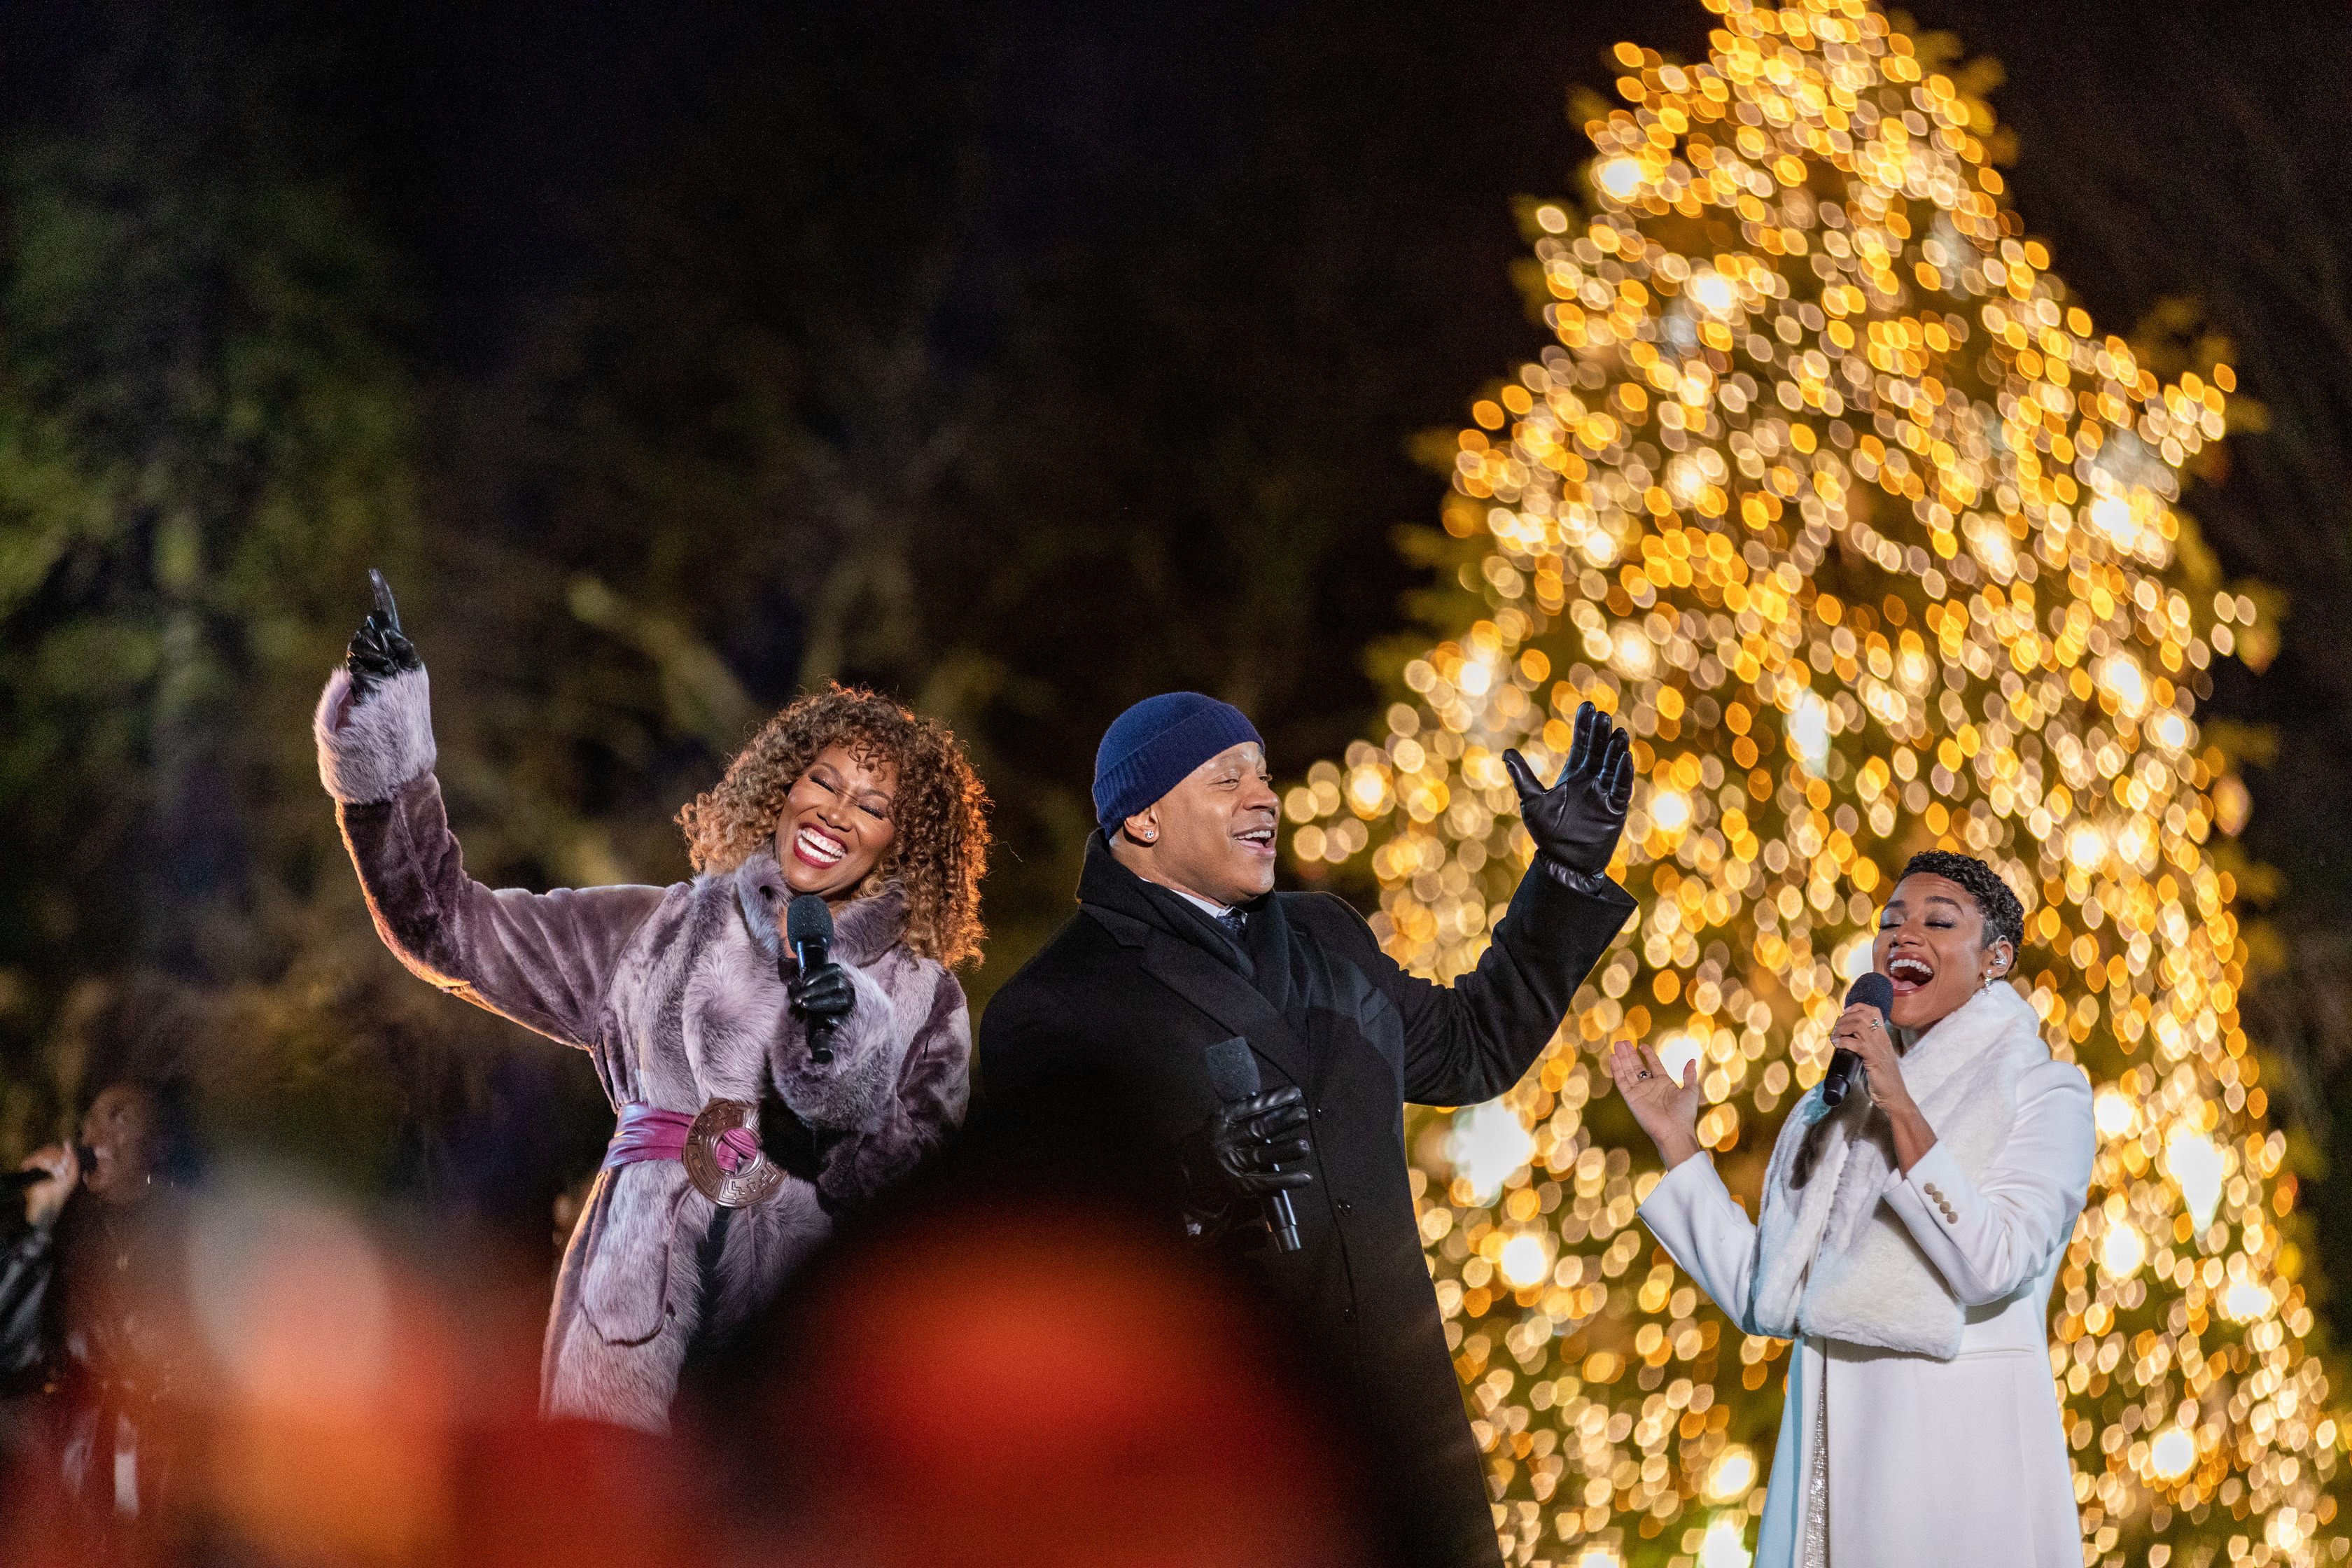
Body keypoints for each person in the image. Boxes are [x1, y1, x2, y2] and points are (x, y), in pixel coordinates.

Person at [314, 573, 989, 1434]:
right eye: (823, 780)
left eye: (875, 805)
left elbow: (924, 1205)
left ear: (907, 841)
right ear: (784, 785)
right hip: (626, 1339)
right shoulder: (656, 930)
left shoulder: (926, 999)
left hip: (809, 1354)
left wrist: (846, 1046)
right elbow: (445, 924)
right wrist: (386, 735)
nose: (835, 810)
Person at [976, 691, 1639, 1568]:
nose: (1265, 796)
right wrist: (1192, 1181)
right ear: (1141, 818)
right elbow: (1043, 1262)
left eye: (1264, 773)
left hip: (1408, 1453)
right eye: (1227, 779)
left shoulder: (1326, 933)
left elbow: (1473, 1048)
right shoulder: (1058, 1003)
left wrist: (1563, 878)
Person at [1611, 850, 2092, 1567]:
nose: (1904, 936)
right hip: (1828, 1457)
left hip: (1955, 1463)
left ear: (1996, 957)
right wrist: (1677, 1141)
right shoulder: (1838, 1101)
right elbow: (1768, 1292)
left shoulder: (2046, 1090)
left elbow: (1997, 1259)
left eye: (1938, 920)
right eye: (1891, 921)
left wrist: (1901, 1101)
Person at [1, 1078, 202, 1539]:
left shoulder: (186, 1223)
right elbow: (17, 1346)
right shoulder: (66, 1224)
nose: (95, 1136)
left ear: (157, 1145)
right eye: (89, 1121)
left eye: (121, 1119)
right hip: (77, 1449)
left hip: (166, 1454)